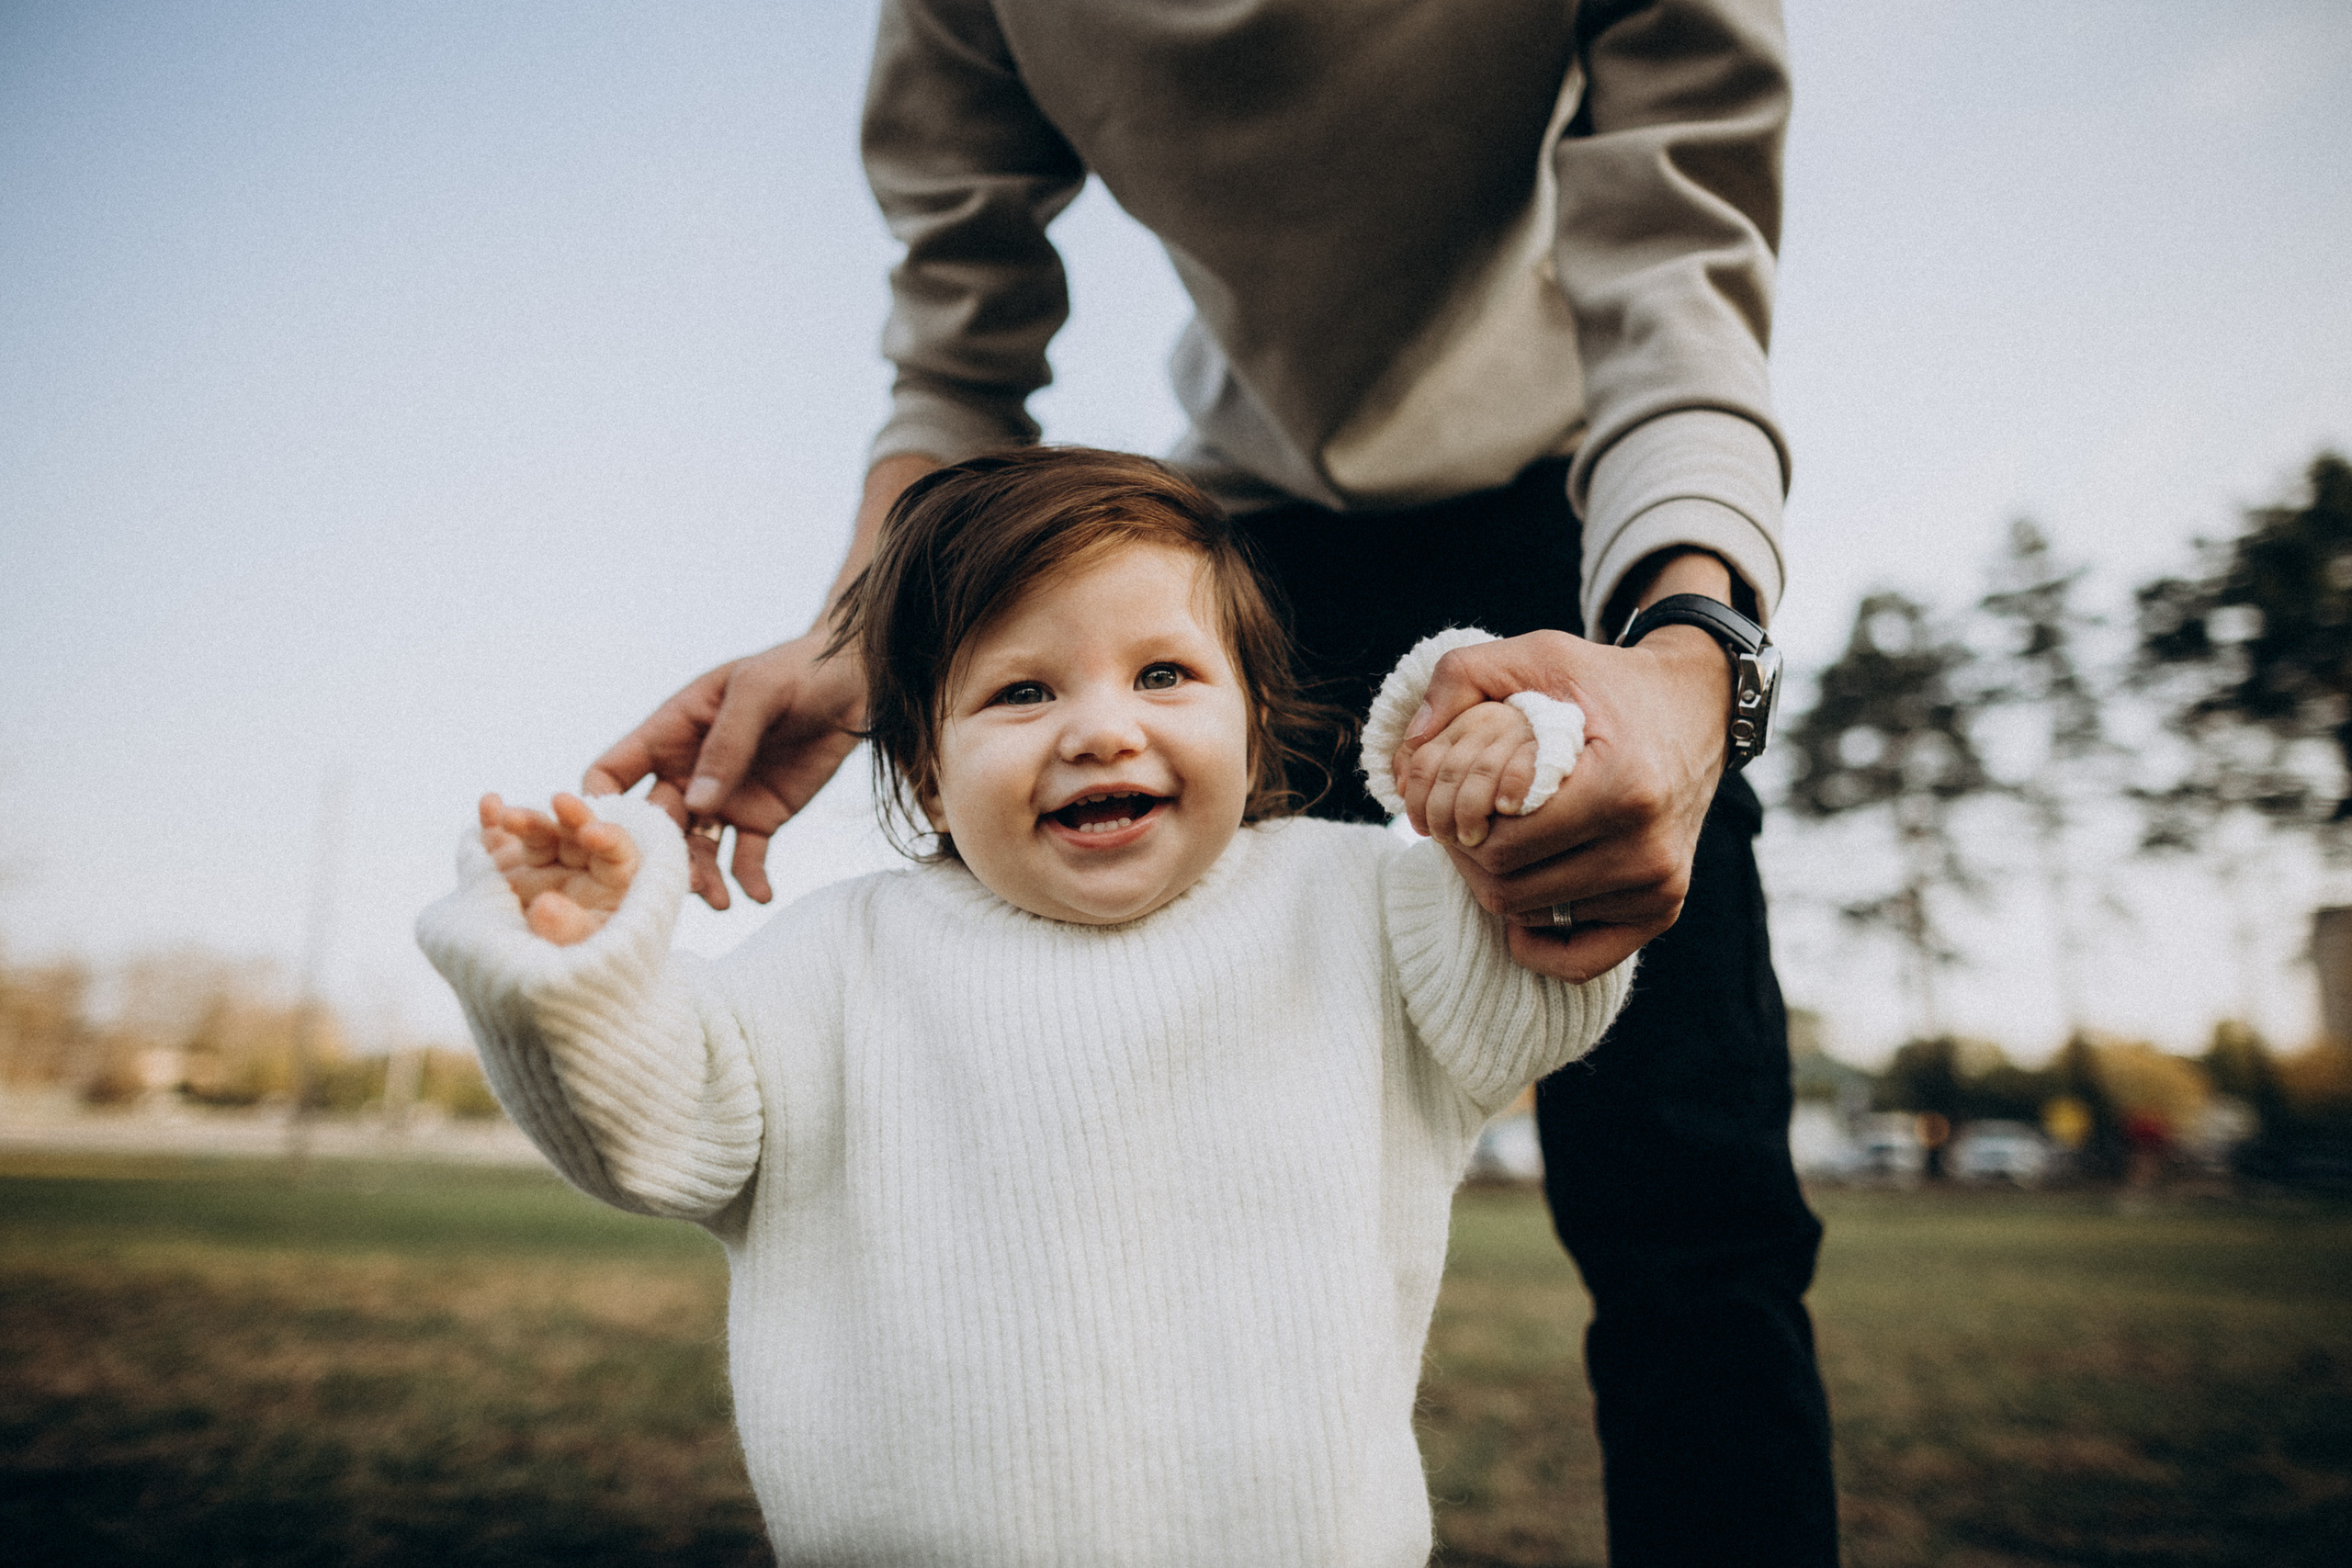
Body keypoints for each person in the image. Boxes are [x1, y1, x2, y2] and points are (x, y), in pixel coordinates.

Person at [587, 3, 1837, 1559]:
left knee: (1695, 1220)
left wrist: (1688, 656)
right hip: (1255, 551)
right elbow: (956, 346)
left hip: (1584, 526)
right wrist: (869, 629)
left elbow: (1679, 263)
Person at [419, 448, 1633, 1563]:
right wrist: (572, 968)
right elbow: (661, 1129)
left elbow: (1535, 970)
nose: (1103, 729)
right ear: (926, 774)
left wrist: (1518, 773)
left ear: (1256, 723)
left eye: (1165, 674)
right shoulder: (841, 963)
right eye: (1020, 693)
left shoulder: (1362, 905)